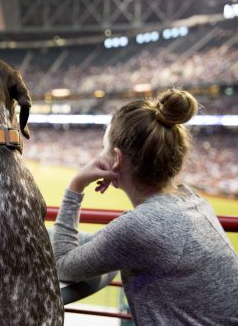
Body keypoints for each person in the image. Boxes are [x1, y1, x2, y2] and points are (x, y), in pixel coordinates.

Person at [51, 89, 238, 325]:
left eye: (103, 147)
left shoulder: (143, 225)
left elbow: (61, 266)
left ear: (116, 159)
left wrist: (75, 185)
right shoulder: (191, 199)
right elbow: (106, 244)